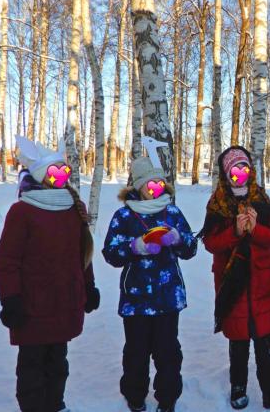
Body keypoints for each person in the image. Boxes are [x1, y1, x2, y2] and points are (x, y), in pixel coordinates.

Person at [0, 136, 100, 412]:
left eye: (64, 171)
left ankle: (56, 405)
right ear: (41, 176)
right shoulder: (22, 211)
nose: (62, 177)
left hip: (65, 301)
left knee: (58, 362)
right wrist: (11, 300)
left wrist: (89, 287)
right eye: (55, 172)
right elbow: (7, 261)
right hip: (33, 306)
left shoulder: (72, 208)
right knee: (32, 364)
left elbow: (84, 255)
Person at [197, 146, 270, 410]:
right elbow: (211, 243)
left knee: (265, 341)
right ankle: (237, 388)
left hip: (262, 281)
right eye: (234, 169)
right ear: (226, 173)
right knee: (238, 340)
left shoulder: (260, 198)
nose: (240, 173)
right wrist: (236, 230)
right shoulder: (217, 202)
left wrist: (256, 228)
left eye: (244, 167)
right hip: (233, 284)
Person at [102, 156, 197, 412]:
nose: (156, 187)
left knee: (168, 352)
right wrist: (135, 246)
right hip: (136, 299)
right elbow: (110, 253)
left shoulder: (173, 212)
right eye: (150, 183)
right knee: (136, 352)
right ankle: (135, 397)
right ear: (139, 186)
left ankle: (167, 400)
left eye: (159, 183)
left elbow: (191, 248)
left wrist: (178, 239)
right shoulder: (124, 215)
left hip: (168, 298)